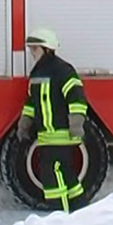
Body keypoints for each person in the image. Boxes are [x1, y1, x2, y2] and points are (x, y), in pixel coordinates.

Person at [17, 27, 89, 213]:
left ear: (47, 48)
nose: (32, 52)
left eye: (35, 48)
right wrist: (25, 122)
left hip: (62, 134)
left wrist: (76, 123)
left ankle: (59, 218)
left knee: (52, 177)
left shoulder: (62, 70)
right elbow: (32, 102)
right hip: (47, 136)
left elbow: (76, 97)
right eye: (31, 48)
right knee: (65, 175)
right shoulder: (37, 73)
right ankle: (81, 211)